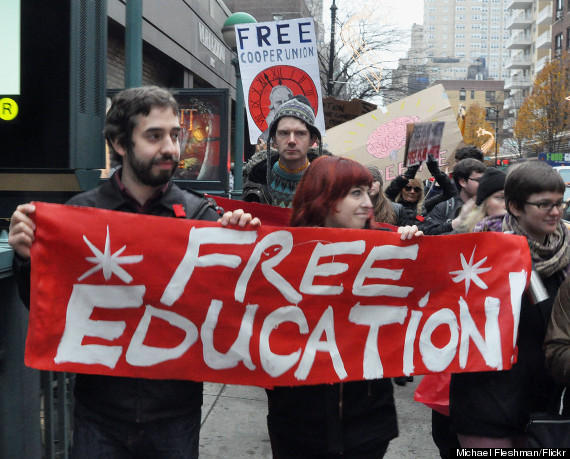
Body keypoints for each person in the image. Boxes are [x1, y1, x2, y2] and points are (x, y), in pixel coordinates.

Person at [8, 86, 260, 458]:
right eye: (155, 136)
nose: (171, 149)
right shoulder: (81, 216)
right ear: (120, 143)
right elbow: (48, 308)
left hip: (176, 414)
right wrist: (28, 259)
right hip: (99, 414)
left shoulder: (200, 217)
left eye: (175, 135)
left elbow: (234, 307)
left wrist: (241, 243)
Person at [266, 155, 422, 458]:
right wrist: (236, 232)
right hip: (298, 422)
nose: (368, 201)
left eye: (368, 190)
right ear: (325, 198)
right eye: (356, 193)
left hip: (368, 420)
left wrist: (417, 252)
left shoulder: (388, 252)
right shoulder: (282, 252)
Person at [449, 161, 570, 447]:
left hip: (544, 401)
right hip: (484, 403)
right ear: (515, 206)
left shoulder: (567, 251)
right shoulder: (478, 251)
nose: (555, 212)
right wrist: (408, 240)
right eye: (544, 205)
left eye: (559, 203)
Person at [427, 167, 506, 459]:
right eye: (501, 197)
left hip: (508, 378)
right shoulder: (457, 242)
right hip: (458, 366)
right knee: (450, 443)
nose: (510, 205)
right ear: (484, 203)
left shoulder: (537, 246)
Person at [242, 95, 330, 207]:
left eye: (300, 133)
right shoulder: (255, 180)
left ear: (312, 139)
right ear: (273, 138)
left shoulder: (330, 184)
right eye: (284, 133)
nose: (291, 140)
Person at [385, 154, 456, 226]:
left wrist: (436, 172)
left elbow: (449, 192)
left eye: (416, 189)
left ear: (420, 192)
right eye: (408, 188)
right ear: (401, 190)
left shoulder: (424, 206)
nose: (412, 191)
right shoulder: (392, 206)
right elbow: (388, 194)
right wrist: (408, 174)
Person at [421, 158, 486, 235]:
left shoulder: (489, 206)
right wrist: (459, 221)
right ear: (463, 182)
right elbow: (433, 238)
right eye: (478, 180)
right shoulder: (444, 208)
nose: (483, 184)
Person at [453, 167, 507, 234]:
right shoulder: (466, 234)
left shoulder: (520, 230)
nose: (508, 204)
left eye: (512, 198)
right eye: (501, 198)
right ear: (484, 203)